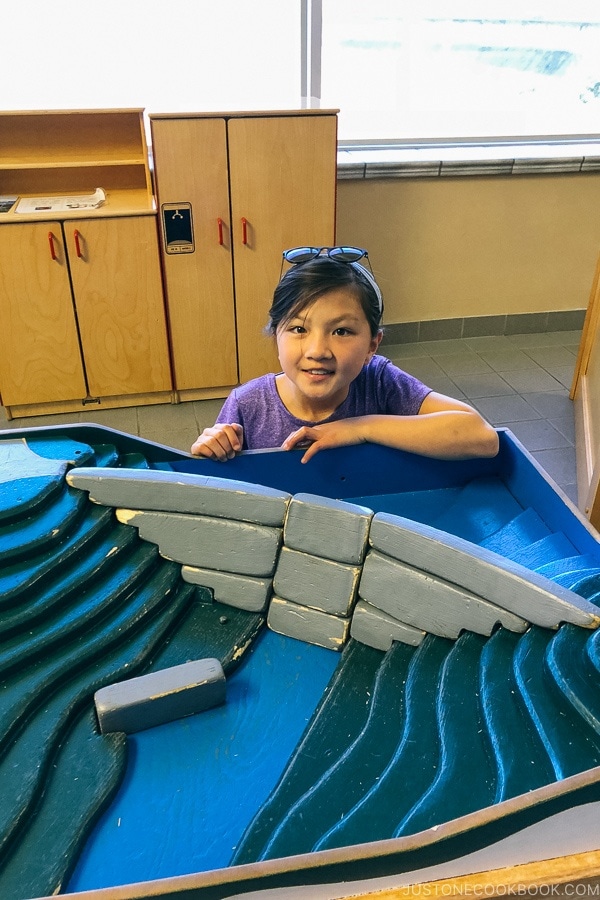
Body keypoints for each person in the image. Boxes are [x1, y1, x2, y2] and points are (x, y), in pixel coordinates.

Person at [190, 246, 499, 464]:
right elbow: (220, 492)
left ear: (371, 345)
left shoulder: (378, 382)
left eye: (341, 332)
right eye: (299, 329)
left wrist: (359, 428)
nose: (317, 351)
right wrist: (210, 449)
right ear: (276, 336)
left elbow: (482, 437)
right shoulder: (247, 405)